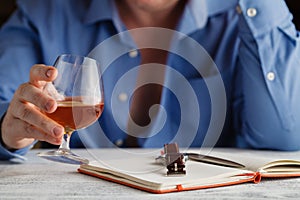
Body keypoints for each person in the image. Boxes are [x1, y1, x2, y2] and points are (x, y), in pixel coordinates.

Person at [1, 0, 300, 161]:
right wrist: (9, 131)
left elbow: (284, 139)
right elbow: (7, 105)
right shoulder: (43, 11)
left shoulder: (247, 14)